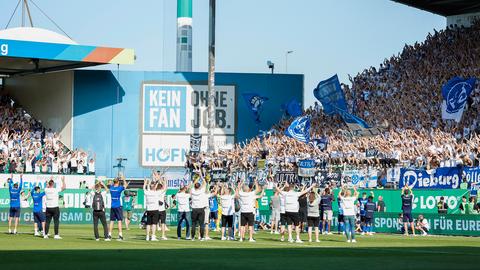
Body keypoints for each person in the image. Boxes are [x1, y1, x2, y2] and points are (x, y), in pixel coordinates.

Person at [107, 176, 128, 241]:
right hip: (118, 206)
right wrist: (123, 178)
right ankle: (120, 235)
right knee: (119, 221)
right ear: (118, 182)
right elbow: (126, 185)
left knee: (111, 221)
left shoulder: (111, 188)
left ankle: (109, 235)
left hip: (112, 206)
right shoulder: (119, 188)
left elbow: (109, 185)